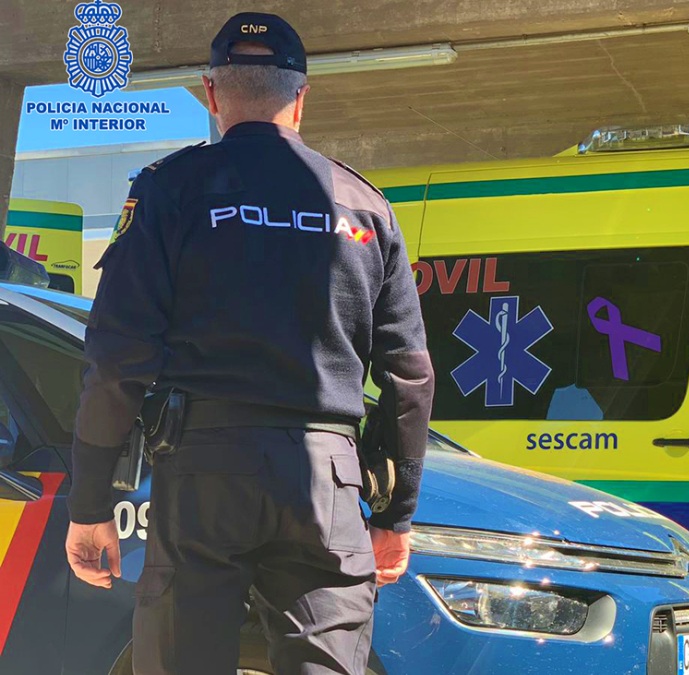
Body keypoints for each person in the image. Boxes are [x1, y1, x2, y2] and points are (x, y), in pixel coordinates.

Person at [63, 12, 434, 675]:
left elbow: (118, 359)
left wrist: (90, 503)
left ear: (212, 94)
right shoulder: (366, 207)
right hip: (327, 478)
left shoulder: (169, 192)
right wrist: (394, 513)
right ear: (302, 96)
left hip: (205, 475)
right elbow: (409, 374)